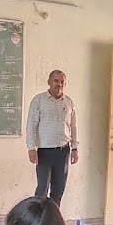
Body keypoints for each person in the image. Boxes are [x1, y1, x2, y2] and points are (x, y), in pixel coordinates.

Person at [25, 70, 78, 207]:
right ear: (49, 82)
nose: (59, 84)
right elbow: (31, 125)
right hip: (44, 152)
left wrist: (75, 148)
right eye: (56, 81)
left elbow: (73, 126)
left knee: (58, 190)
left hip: (63, 151)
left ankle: (53, 221)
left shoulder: (69, 102)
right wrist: (31, 148)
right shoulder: (39, 100)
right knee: (42, 189)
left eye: (62, 81)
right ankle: (38, 220)